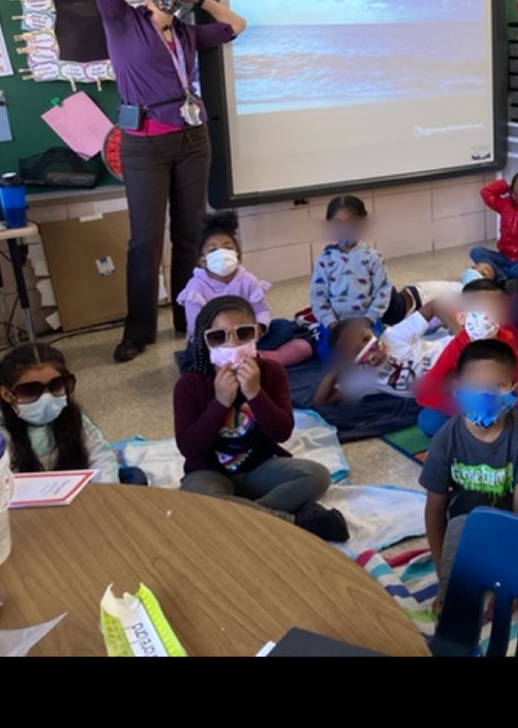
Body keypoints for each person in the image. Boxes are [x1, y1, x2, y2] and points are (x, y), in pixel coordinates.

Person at [87, 0, 247, 364]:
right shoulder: (122, 21)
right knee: (145, 239)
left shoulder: (189, 34)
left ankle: (185, 316)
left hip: (193, 141)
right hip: (142, 144)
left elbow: (236, 24)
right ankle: (138, 330)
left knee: (189, 235)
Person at [174, 295, 348, 540]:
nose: (232, 344)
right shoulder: (190, 383)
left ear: (256, 334)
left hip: (259, 466)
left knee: (317, 476)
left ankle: (241, 515)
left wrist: (255, 394)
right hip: (208, 472)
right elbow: (189, 447)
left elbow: (282, 432)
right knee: (195, 501)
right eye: (219, 337)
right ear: (205, 342)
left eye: (243, 334)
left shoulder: (270, 372)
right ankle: (292, 522)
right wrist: (220, 402)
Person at [419, 338, 518, 612]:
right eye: (475, 386)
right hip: (467, 530)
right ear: (457, 388)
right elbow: (435, 511)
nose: (485, 395)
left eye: (497, 386)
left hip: (509, 527)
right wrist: (444, 578)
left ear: (514, 390)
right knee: (469, 503)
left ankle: (504, 576)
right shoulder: (446, 439)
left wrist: (515, 584)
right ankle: (458, 585)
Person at [177, 211, 311, 366]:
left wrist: (260, 326)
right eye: (213, 250)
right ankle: (260, 358)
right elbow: (196, 327)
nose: (221, 254)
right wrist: (223, 343)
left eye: (227, 248)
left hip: (246, 337)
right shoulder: (196, 287)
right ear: (202, 261)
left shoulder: (247, 280)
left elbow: (261, 310)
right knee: (194, 353)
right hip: (216, 342)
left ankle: (252, 357)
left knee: (283, 327)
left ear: (237, 255)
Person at [0, 343, 136, 484]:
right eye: (30, 390)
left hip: (80, 494)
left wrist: (103, 495)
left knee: (134, 476)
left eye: (56, 385)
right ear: (7, 395)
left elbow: (101, 456)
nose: (47, 397)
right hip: (29, 500)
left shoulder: (73, 418)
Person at [414, 279, 518, 436]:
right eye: (477, 310)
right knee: (428, 420)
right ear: (461, 317)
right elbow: (425, 389)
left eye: (492, 310)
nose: (485, 317)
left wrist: (498, 406)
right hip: (467, 407)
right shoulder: (458, 344)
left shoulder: (508, 340)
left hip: (500, 405)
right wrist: (462, 404)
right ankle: (473, 436)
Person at [314, 301, 451, 408]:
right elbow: (321, 401)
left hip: (456, 355)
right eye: (357, 351)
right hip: (446, 388)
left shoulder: (394, 336)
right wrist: (336, 368)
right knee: (429, 421)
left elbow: (435, 306)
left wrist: (461, 335)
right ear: (350, 360)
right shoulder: (362, 378)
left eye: (366, 339)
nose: (368, 348)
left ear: (372, 332)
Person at [309, 195, 401, 331]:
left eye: (351, 222)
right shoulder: (325, 259)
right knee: (328, 351)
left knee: (372, 350)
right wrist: (331, 323)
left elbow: (383, 292)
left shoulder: (372, 257)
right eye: (337, 223)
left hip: (367, 322)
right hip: (334, 325)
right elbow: (318, 296)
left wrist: (369, 319)